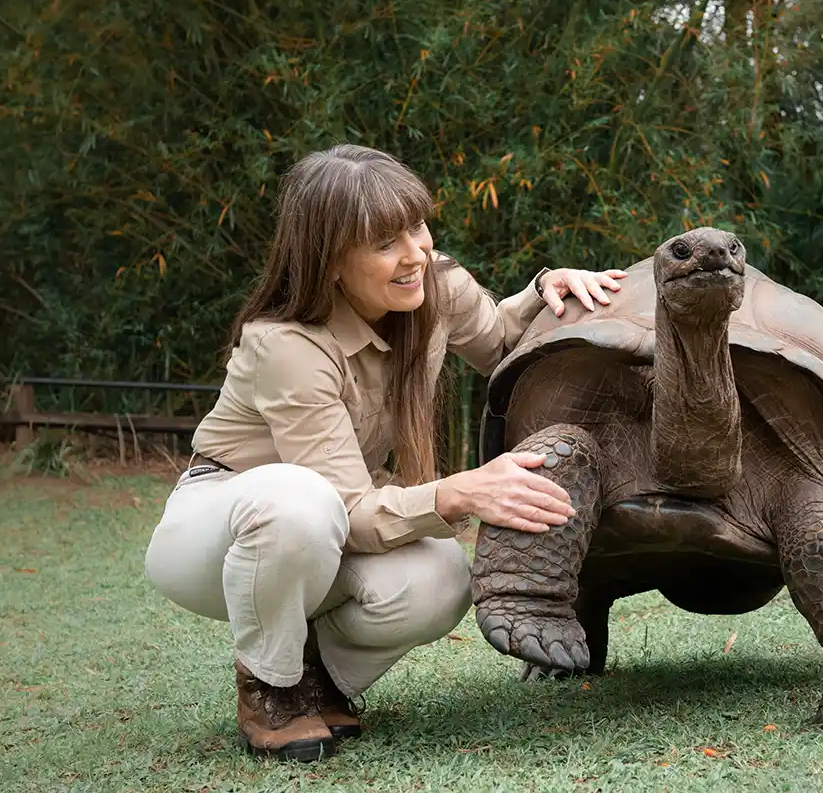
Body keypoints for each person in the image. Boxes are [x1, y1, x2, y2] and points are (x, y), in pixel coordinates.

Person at [143, 144, 626, 762]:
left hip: (329, 526)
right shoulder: (286, 344)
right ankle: (268, 683)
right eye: (383, 242)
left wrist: (549, 289)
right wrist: (461, 490)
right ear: (329, 260)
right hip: (221, 527)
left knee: (443, 577)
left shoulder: (435, 284)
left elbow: (500, 342)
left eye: (417, 227)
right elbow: (345, 506)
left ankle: (317, 677)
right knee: (301, 501)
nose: (414, 253)